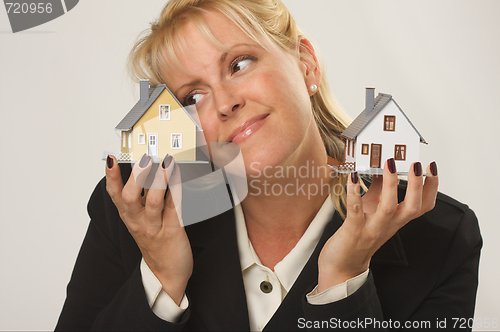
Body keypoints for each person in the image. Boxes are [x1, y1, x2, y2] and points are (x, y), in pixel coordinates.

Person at [56, 0, 481, 330]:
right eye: (194, 96)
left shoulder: (441, 238)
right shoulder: (136, 209)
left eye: (239, 64)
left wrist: (342, 281)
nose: (224, 104)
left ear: (306, 63)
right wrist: (161, 281)